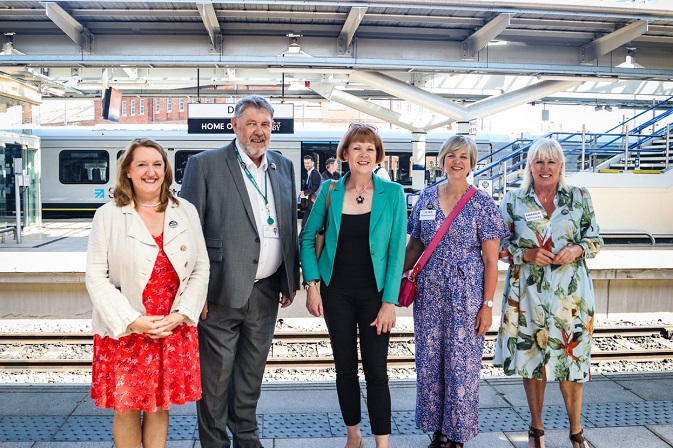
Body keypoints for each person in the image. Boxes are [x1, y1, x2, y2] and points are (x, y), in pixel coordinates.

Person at [180, 95, 300, 448]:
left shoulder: (283, 165)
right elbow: (190, 232)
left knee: (250, 375)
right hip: (220, 291)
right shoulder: (205, 165)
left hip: (266, 291)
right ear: (235, 126)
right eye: (251, 124)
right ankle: (215, 443)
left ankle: (246, 439)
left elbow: (286, 225)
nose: (259, 132)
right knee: (215, 381)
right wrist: (194, 292)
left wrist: (288, 275)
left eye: (265, 124)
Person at [85, 138, 209, 448]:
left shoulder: (186, 211)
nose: (150, 171)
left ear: (166, 171)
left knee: (158, 406)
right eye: (142, 164)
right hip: (125, 329)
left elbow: (201, 267)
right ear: (127, 171)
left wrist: (181, 314)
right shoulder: (109, 215)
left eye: (157, 164)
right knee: (126, 407)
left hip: (171, 325)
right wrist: (132, 321)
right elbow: (96, 277)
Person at [300, 123, 407, 448]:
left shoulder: (393, 194)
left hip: (375, 296)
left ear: (378, 156)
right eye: (357, 148)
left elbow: (396, 251)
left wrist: (390, 301)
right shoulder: (331, 191)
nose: (363, 154)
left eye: (370, 149)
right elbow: (307, 238)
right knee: (344, 367)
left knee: (377, 371)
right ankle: (353, 437)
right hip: (337, 293)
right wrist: (313, 285)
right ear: (345, 153)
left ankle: (382, 443)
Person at [493, 138, 603, 448]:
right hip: (529, 295)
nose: (545, 167)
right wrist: (524, 255)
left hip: (571, 297)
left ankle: (576, 431)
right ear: (529, 166)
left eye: (551, 161)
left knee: (572, 360)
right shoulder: (513, 200)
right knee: (532, 358)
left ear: (561, 166)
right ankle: (536, 430)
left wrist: (577, 249)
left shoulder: (579, 197)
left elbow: (595, 240)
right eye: (539, 161)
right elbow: (498, 247)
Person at [404, 135, 509, 448]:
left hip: (466, 297)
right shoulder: (425, 199)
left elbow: (492, 261)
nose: (457, 161)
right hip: (428, 296)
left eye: (464, 156)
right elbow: (415, 245)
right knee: (430, 363)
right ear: (442, 160)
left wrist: (487, 306)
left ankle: (457, 435)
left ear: (472, 163)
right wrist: (395, 276)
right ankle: (438, 430)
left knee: (462, 366)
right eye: (452, 155)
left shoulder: (483, 204)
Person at [300, 154, 323, 229]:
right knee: (306, 223)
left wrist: (305, 193)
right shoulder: (310, 173)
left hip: (313, 202)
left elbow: (315, 186)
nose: (306, 165)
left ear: (313, 163)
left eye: (308, 163)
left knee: (306, 224)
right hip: (311, 203)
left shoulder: (314, 173)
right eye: (305, 163)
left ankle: (302, 239)